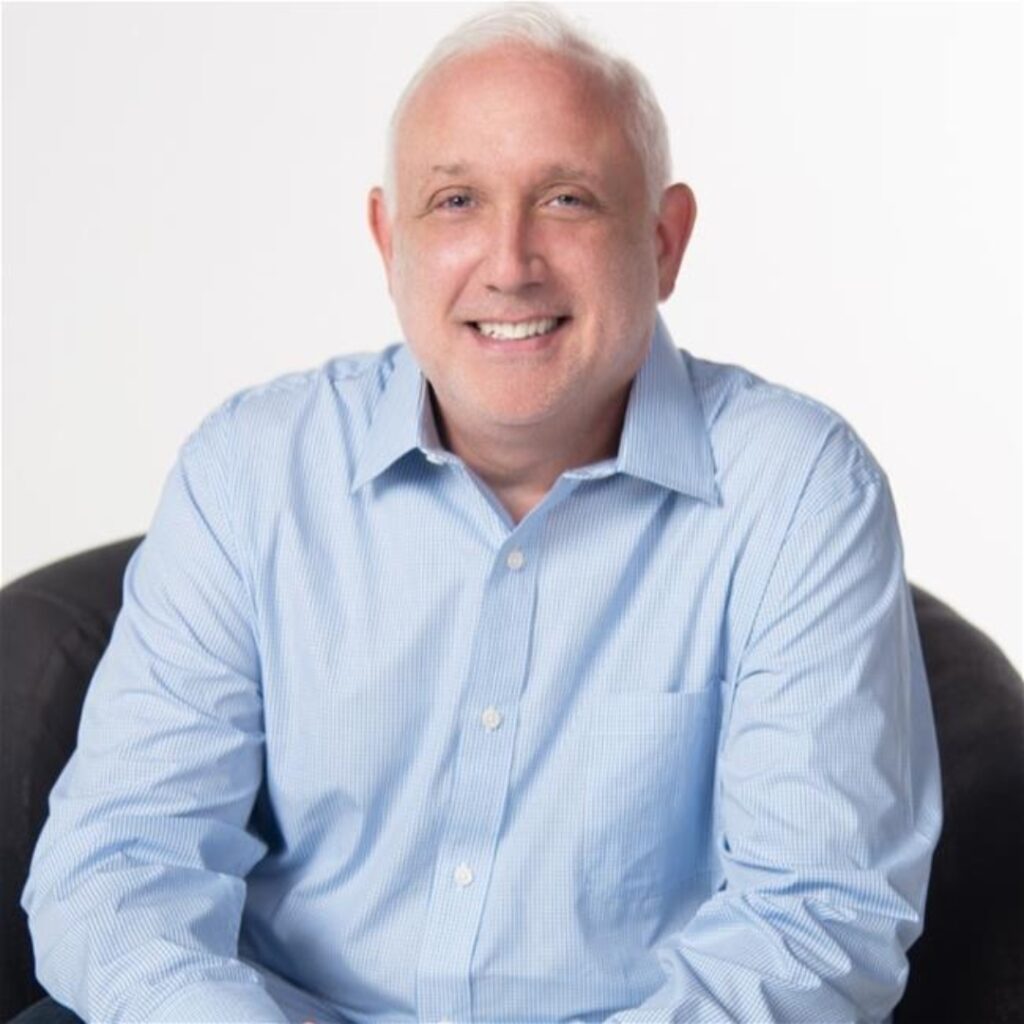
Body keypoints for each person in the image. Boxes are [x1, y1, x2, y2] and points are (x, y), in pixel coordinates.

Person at [21, 4, 942, 1022]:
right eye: (455, 199)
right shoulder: (250, 474)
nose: (510, 261)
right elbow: (119, 861)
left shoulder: (799, 493)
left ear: (664, 239)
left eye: (567, 199)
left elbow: (814, 921)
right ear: (388, 238)